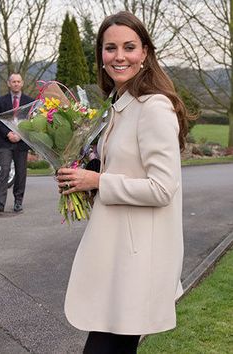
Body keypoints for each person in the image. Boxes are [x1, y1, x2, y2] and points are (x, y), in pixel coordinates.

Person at [57, 11, 191, 354]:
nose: (119, 56)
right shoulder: (117, 106)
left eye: (129, 47)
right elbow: (122, 172)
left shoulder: (154, 106)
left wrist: (98, 180)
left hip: (137, 261)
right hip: (117, 257)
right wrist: (83, 185)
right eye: (110, 47)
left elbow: (162, 188)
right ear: (100, 55)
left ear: (144, 52)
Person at [0, 73, 34, 212]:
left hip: (21, 142)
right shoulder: (0, 101)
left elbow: (32, 121)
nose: (16, 84)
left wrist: (20, 134)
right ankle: (0, 202)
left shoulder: (30, 102)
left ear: (22, 83)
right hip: (5, 142)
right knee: (4, 170)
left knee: (20, 172)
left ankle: (18, 201)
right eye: (13, 81)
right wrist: (8, 133)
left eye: (18, 81)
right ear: (9, 83)